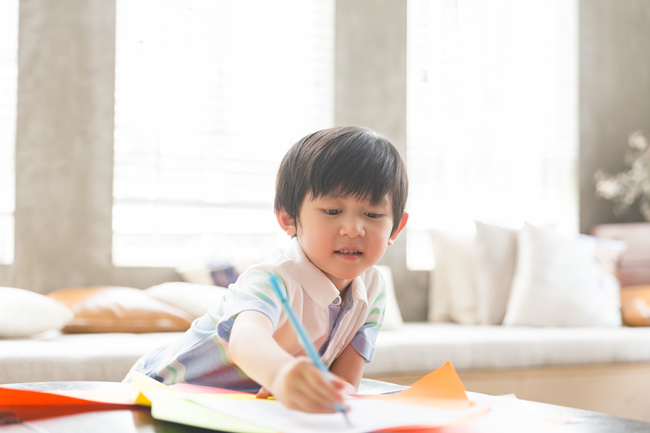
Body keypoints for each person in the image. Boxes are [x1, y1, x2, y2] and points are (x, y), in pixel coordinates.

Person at [124, 126, 409, 414]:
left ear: (396, 226)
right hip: (160, 391)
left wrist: (328, 397)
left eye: (373, 215)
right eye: (332, 211)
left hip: (245, 410)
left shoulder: (374, 290)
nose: (353, 229)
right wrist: (281, 374)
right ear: (288, 217)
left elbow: (345, 382)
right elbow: (245, 339)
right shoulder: (273, 277)